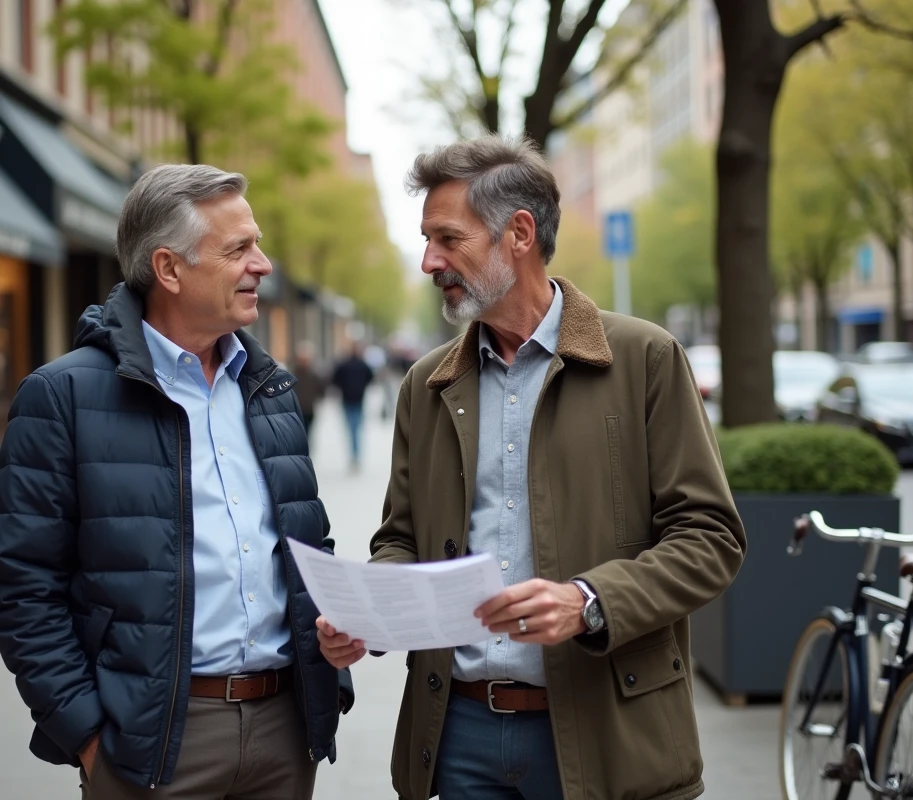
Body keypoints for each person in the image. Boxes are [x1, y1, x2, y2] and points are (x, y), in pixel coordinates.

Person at [316, 134, 746, 800]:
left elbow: (711, 539)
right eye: (426, 240)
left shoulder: (645, 359)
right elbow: (400, 539)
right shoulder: (426, 385)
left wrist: (588, 601)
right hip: (456, 736)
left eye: (447, 238)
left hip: (607, 734)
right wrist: (371, 612)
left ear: (518, 234)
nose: (429, 260)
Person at [0, 164, 352, 800]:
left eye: (257, 243)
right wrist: (89, 737)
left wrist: (333, 639)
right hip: (150, 745)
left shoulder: (271, 390)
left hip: (287, 734)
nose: (262, 265)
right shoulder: (61, 396)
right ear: (170, 269)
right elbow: (20, 587)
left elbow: (306, 551)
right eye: (238, 249)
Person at [329, 341, 374, 470]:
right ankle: (356, 454)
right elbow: (371, 378)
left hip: (347, 399)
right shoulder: (363, 365)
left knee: (351, 427)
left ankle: (354, 454)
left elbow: (335, 380)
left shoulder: (343, 365)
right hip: (359, 399)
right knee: (356, 427)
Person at [291, 340, 326, 436]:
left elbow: (321, 389)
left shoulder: (314, 374)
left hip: (309, 409)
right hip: (296, 409)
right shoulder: (293, 374)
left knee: (307, 433)